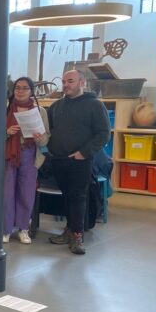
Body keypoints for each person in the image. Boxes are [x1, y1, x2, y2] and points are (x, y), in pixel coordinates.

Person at [47, 70, 110, 255]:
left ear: (82, 82)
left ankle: (76, 236)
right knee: (66, 196)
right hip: (58, 159)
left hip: (80, 161)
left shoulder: (95, 106)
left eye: (71, 81)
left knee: (78, 197)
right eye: (64, 81)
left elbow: (103, 133)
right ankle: (69, 229)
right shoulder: (57, 106)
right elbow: (50, 129)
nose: (66, 85)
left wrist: (84, 153)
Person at [3, 77, 49, 245]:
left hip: (30, 154)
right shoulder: (6, 109)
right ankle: (6, 229)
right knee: (7, 193)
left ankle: (23, 228)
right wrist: (7, 131)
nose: (20, 91)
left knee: (26, 193)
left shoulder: (40, 111)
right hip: (9, 155)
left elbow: (45, 140)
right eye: (17, 88)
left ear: (31, 91)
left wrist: (40, 138)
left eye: (24, 88)